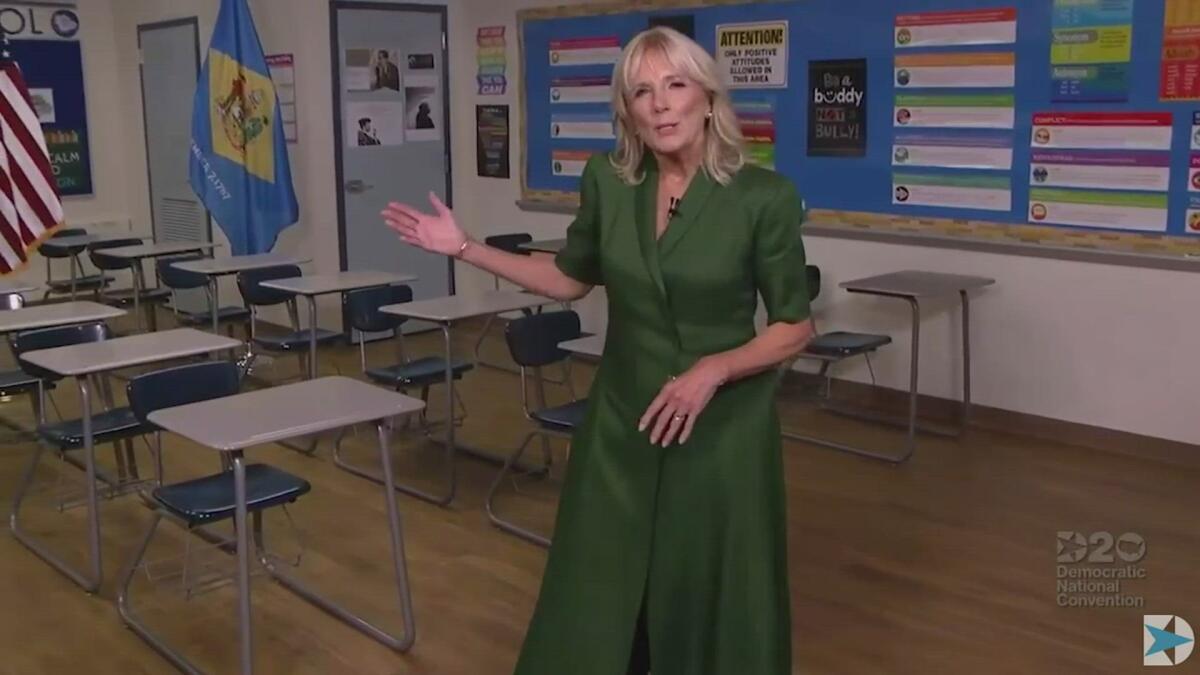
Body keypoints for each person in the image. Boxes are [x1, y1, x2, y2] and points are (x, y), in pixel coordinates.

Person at [382, 26, 812, 675]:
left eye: (675, 85)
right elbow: (568, 277)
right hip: (624, 419)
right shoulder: (609, 186)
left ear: (707, 97)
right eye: (643, 91)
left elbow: (793, 325)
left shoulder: (763, 197)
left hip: (723, 428)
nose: (661, 104)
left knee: (707, 586)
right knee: (602, 587)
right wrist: (465, 247)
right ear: (628, 110)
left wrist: (715, 368)